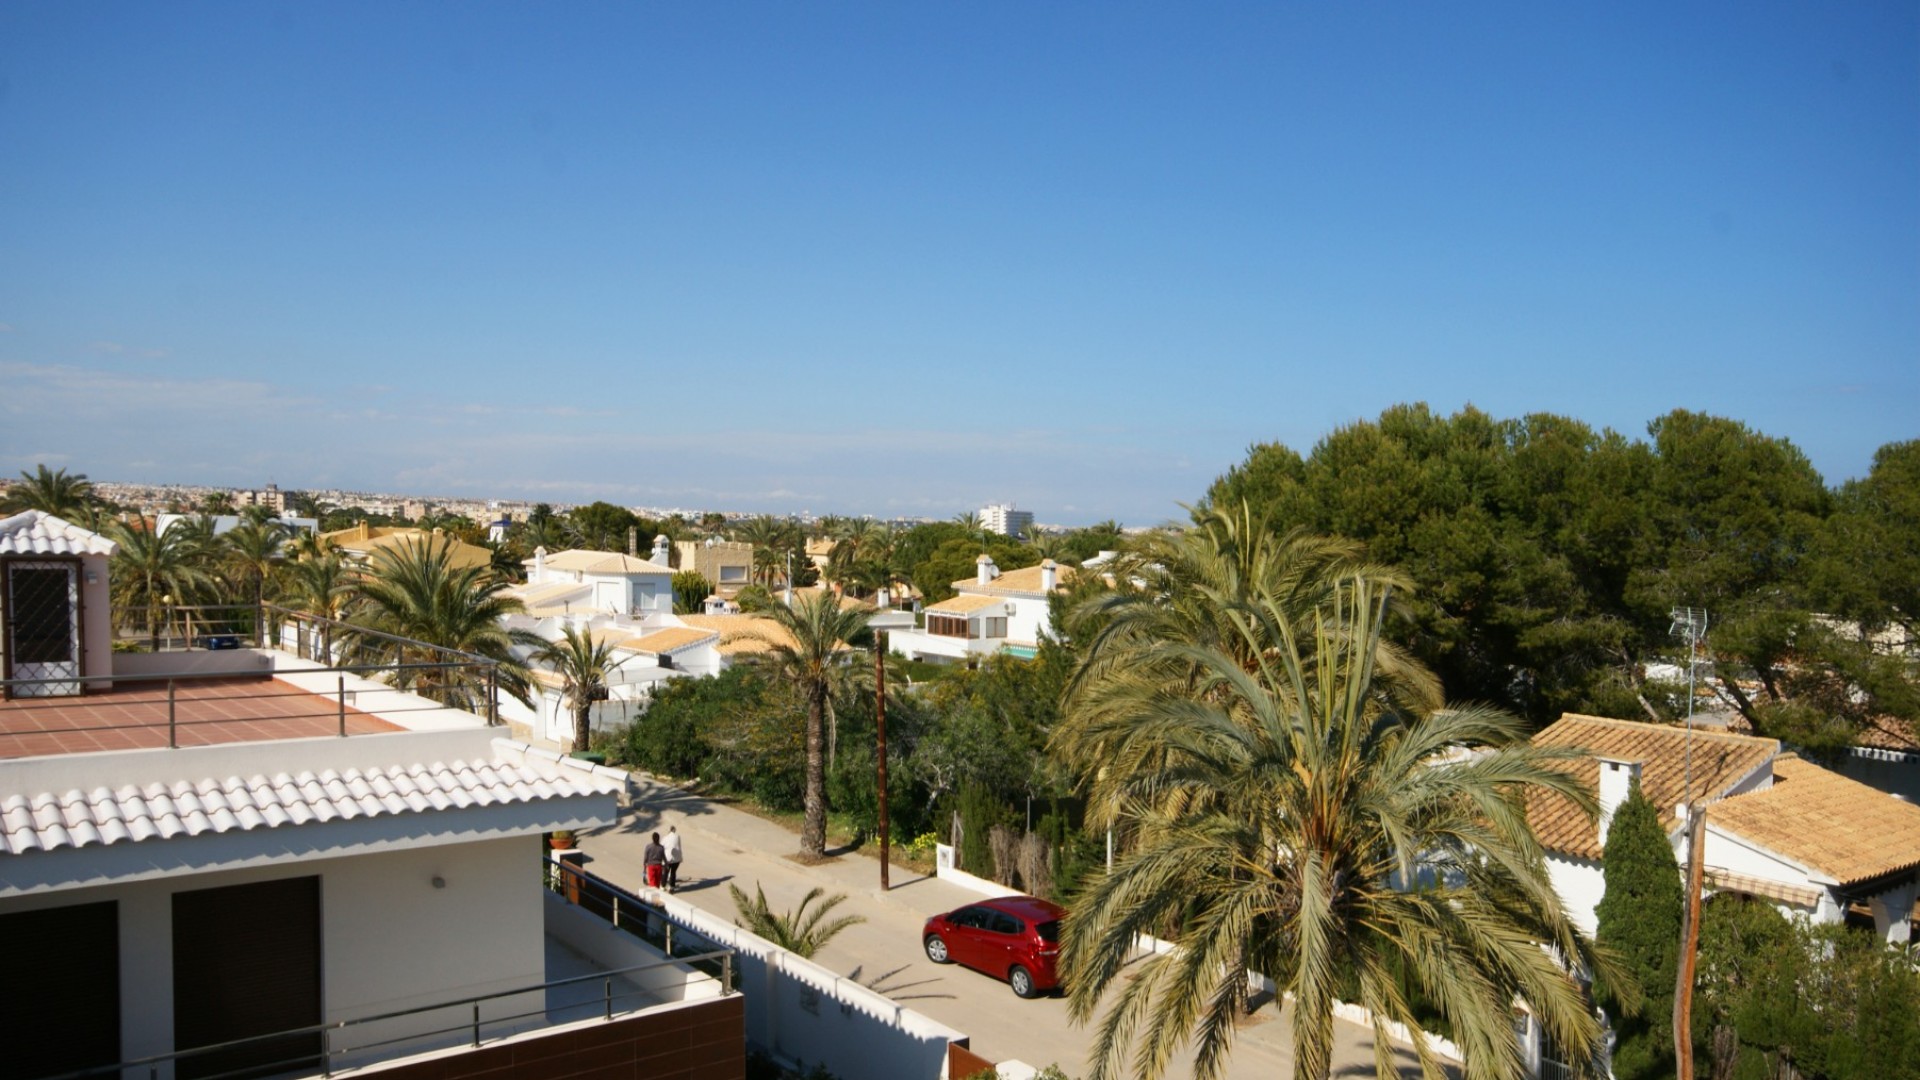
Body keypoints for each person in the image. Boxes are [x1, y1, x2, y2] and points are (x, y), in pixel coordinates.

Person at [663, 825, 683, 892]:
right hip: (677, 859)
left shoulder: (665, 838)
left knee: (666, 872)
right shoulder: (678, 837)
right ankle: (672, 887)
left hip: (668, 859)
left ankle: (663, 886)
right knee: (673, 872)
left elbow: (661, 846)